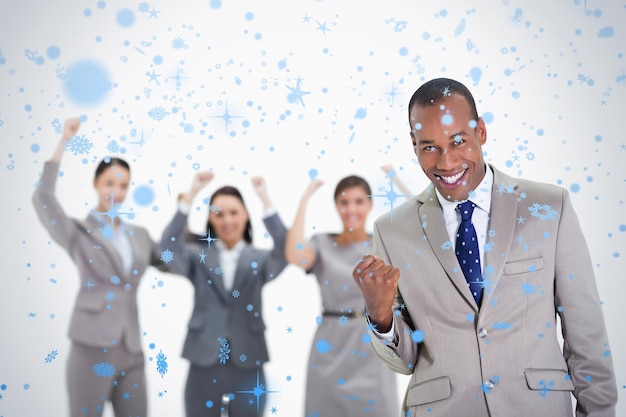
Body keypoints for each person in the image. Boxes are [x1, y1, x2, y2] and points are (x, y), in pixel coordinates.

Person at [352, 78, 617, 416]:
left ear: (481, 132)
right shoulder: (391, 231)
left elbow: (586, 337)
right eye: (429, 146)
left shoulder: (549, 208)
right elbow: (406, 363)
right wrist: (381, 317)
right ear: (413, 143)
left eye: (458, 141)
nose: (446, 163)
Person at [32, 118, 165, 417]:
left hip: (131, 349)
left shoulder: (140, 237)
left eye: (123, 185)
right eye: (109, 183)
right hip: (91, 347)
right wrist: (63, 141)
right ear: (95, 184)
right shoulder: (78, 233)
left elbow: (171, 259)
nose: (116, 192)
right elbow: (43, 198)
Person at [160, 171, 288, 417]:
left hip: (249, 359)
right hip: (203, 359)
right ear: (210, 218)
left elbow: (286, 252)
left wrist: (266, 200)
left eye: (234, 212)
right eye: (219, 213)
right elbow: (166, 249)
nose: (227, 220)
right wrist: (190, 196)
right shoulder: (197, 256)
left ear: (246, 215)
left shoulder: (260, 260)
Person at [285, 175, 399, 417]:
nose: (351, 209)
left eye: (359, 201)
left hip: (372, 346)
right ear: (336, 206)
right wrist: (304, 199)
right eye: (344, 202)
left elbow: (424, 236)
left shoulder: (383, 244)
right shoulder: (322, 244)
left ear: (369, 205)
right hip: (330, 348)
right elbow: (295, 254)